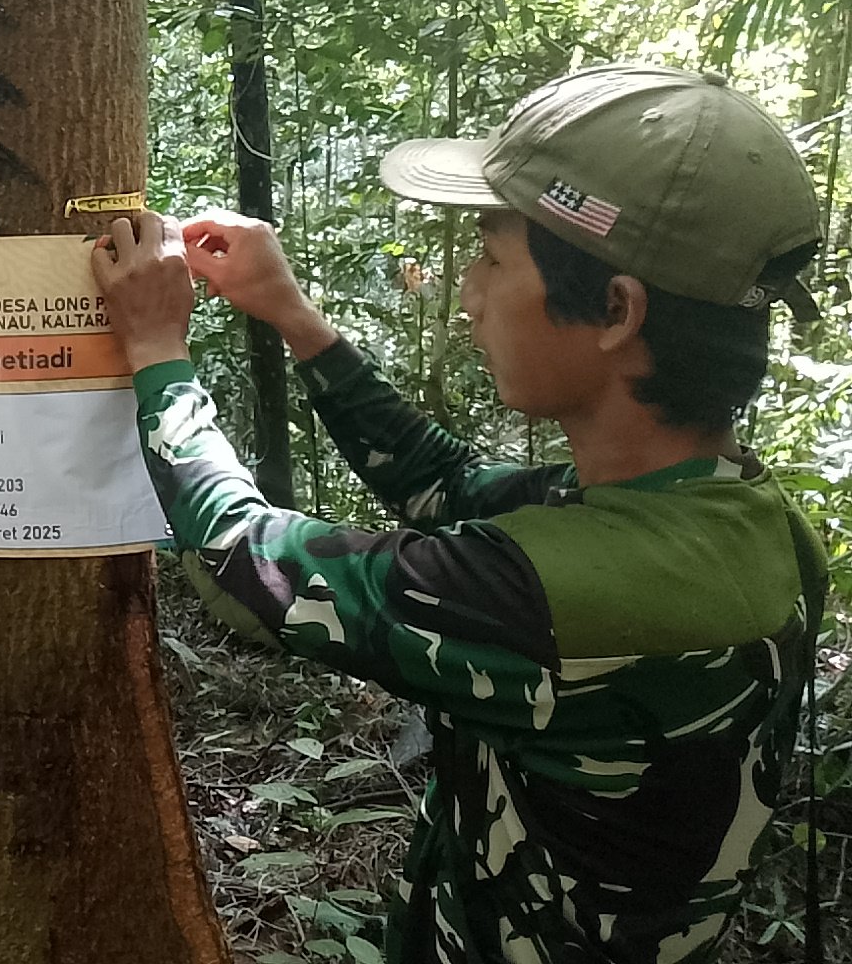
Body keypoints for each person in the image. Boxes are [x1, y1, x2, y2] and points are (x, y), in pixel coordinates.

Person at [91, 64, 829, 964]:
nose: (470, 293)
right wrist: (294, 317)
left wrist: (157, 349)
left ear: (614, 309)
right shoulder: (735, 517)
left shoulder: (552, 593)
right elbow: (446, 486)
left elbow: (249, 565)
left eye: (492, 259)